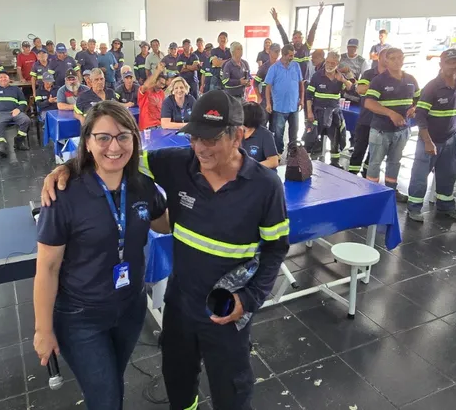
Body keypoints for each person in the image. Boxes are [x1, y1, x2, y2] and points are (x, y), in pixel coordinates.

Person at [41, 90, 289, 410]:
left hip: (227, 307)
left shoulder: (266, 186)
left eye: (211, 139)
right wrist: (67, 169)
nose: (200, 148)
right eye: (195, 137)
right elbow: (115, 158)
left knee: (231, 391)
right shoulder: (177, 163)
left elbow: (275, 249)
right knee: (177, 379)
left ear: (238, 135)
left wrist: (249, 299)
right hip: (180, 305)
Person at [33, 101, 169, 410]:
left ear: (134, 139)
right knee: (106, 399)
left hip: (131, 307)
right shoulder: (63, 194)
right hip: (81, 315)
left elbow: (163, 222)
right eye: (103, 137)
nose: (114, 146)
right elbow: (48, 268)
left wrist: (198, 200)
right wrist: (43, 329)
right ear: (88, 142)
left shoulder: (141, 185)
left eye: (123, 136)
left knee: (113, 381)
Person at [406, 49, 456, 223]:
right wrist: (428, 141)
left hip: (451, 138)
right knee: (420, 175)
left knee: (449, 174)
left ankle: (446, 206)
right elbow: (420, 116)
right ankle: (414, 208)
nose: (453, 66)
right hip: (430, 139)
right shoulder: (432, 87)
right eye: (449, 62)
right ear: (441, 64)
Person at [362, 48, 419, 200]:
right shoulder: (379, 80)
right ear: (386, 61)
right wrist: (391, 113)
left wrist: (414, 108)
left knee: (395, 162)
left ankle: (391, 191)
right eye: (393, 58)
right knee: (375, 162)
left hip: (402, 130)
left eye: (400, 58)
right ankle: (371, 194)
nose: (397, 61)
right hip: (381, 130)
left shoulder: (410, 80)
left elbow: (419, 99)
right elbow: (369, 103)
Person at [304, 51, 351, 166]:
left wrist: (343, 80)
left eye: (333, 63)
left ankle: (335, 163)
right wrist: (309, 112)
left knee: (336, 140)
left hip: (334, 114)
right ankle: (310, 163)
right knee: (312, 139)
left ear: (337, 64)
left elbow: (351, 88)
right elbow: (309, 96)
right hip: (318, 113)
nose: (329, 65)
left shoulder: (340, 77)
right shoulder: (317, 76)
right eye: (328, 62)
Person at [348, 48, 390, 176]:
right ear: (380, 58)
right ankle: (352, 174)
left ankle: (367, 174)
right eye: (387, 57)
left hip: (382, 122)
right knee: (359, 148)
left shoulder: (394, 76)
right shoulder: (368, 74)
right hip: (366, 119)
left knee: (375, 153)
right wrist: (379, 83)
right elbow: (360, 89)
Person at [264, 44, 304, 155]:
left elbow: (301, 84)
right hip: (279, 107)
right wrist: (268, 103)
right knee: (278, 133)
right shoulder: (274, 68)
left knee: (294, 133)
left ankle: (293, 154)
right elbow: (268, 87)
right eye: (290, 55)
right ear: (284, 54)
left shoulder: (296, 66)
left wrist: (302, 99)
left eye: (293, 55)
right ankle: (278, 154)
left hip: (294, 106)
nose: (292, 58)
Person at [0, 70, 32, 161]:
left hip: (14, 112)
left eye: (5, 77)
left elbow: (23, 102)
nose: (3, 79)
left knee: (26, 120)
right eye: (1, 77)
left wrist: (19, 109)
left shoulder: (16, 89)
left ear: (9, 79)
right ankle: (1, 146)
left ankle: (19, 141)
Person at [273, 2, 323, 80]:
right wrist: (276, 20)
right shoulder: (289, 48)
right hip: (292, 81)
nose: (297, 39)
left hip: (305, 81)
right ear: (292, 40)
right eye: (295, 38)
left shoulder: (307, 47)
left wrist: (319, 15)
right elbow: (283, 34)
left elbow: (312, 31)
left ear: (302, 39)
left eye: (299, 37)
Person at [241, 102, 279, 168]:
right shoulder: (237, 132)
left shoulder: (265, 135)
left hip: (258, 171)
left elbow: (273, 161)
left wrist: (250, 167)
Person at [138, 63, 168, 130]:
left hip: (160, 125)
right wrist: (158, 71)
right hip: (148, 126)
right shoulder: (145, 91)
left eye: (163, 85)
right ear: (155, 81)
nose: (161, 86)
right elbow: (146, 85)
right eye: (160, 83)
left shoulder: (161, 93)